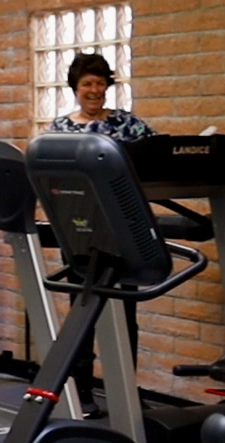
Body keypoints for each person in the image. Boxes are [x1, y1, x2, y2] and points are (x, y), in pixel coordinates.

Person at [48, 52, 154, 414]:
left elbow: (157, 157)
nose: (94, 90)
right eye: (87, 85)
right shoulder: (61, 129)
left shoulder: (128, 125)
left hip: (123, 231)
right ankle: (82, 391)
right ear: (75, 89)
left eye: (100, 83)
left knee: (126, 316)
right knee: (85, 311)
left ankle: (124, 386)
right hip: (80, 232)